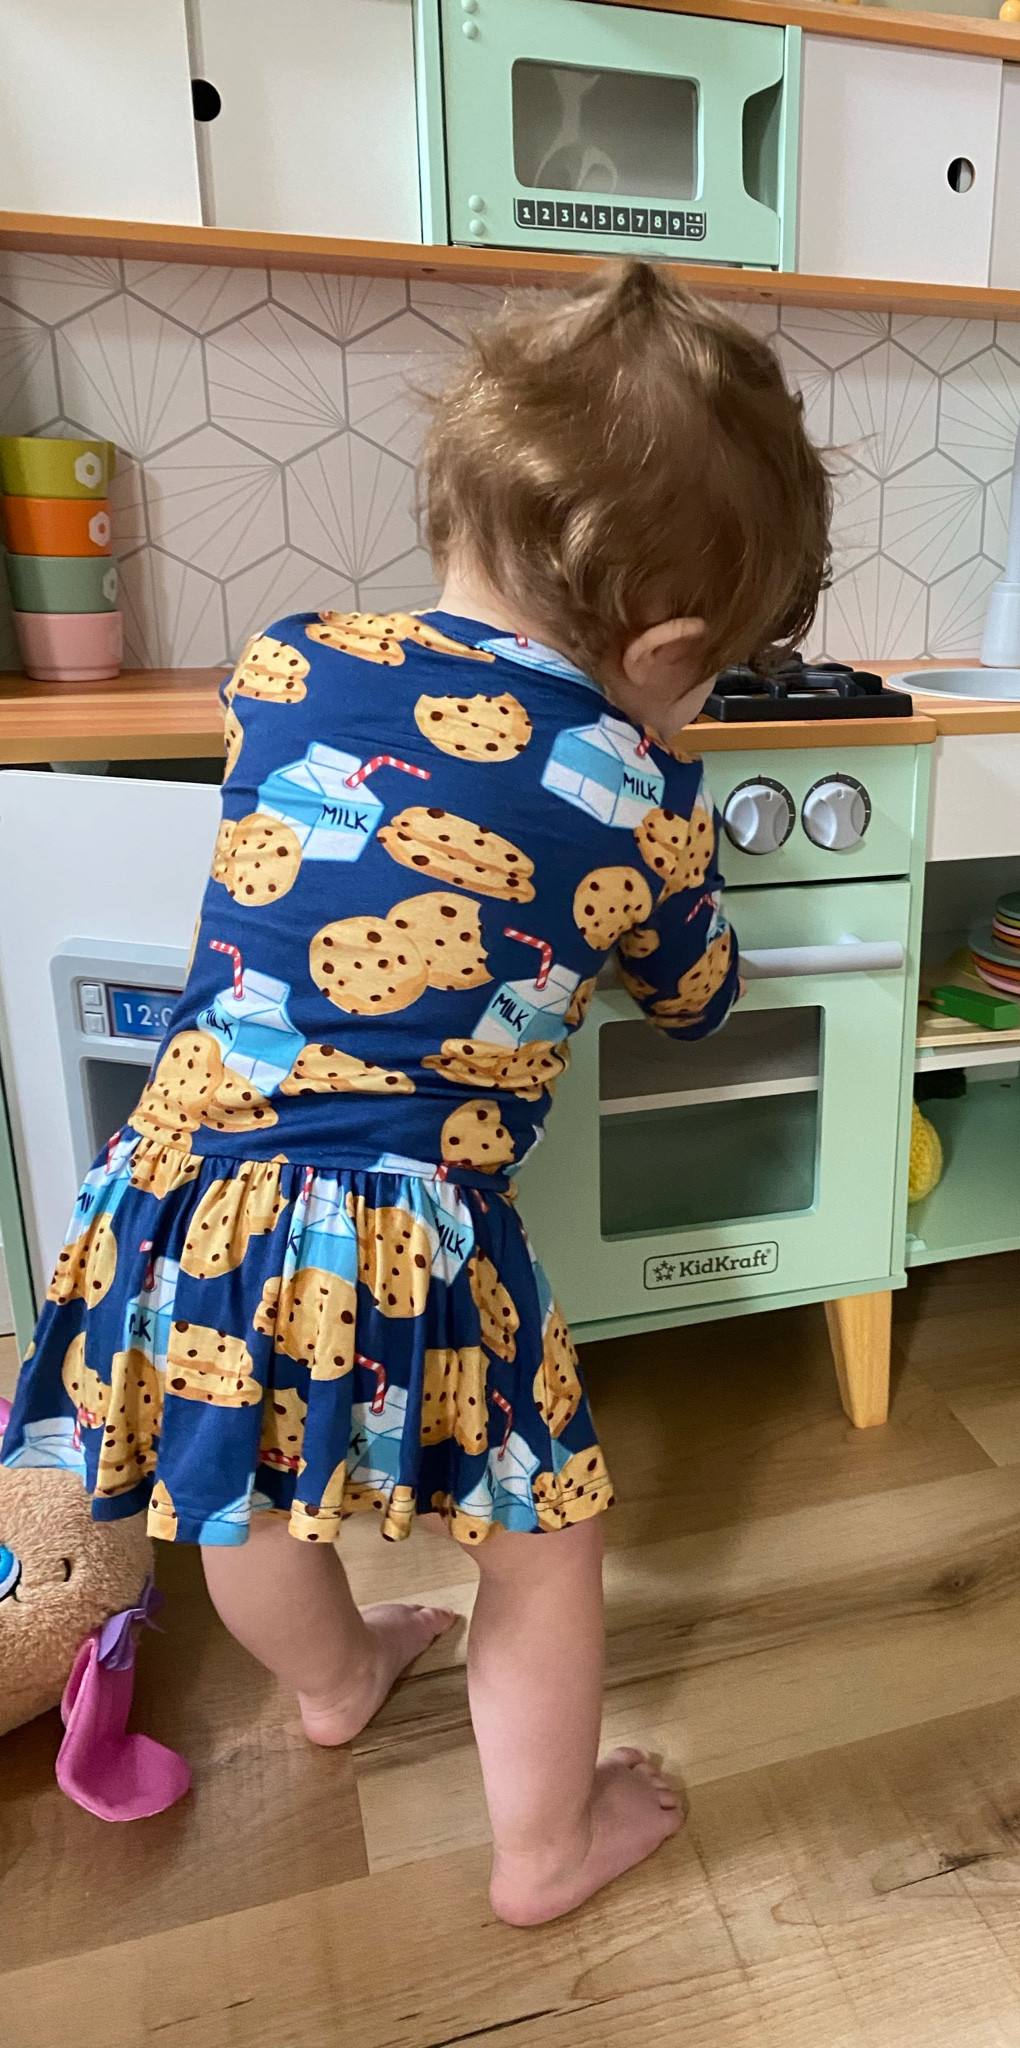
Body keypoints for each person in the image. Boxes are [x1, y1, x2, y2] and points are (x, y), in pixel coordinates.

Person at [1, 260, 832, 1924]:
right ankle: (545, 1847)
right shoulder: (645, 799)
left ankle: (330, 1686)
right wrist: (668, 806)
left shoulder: (288, 665)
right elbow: (694, 998)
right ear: (669, 649)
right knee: (537, 1546)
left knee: (227, 1484)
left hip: (180, 1186)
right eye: (708, 674)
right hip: (411, 1232)